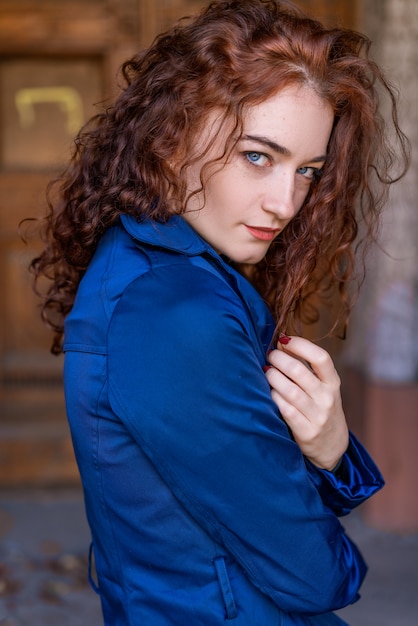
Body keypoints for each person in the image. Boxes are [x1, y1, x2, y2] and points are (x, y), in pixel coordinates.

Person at [29, 1, 409, 624]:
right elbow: (314, 577)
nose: (286, 203)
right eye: (258, 156)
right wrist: (335, 455)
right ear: (175, 135)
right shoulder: (177, 310)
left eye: (307, 170)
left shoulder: (158, 263)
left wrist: (331, 453)